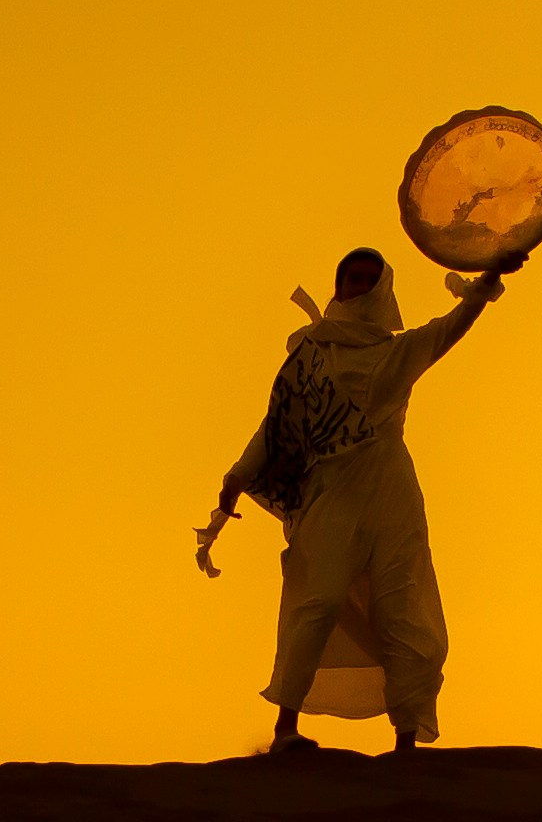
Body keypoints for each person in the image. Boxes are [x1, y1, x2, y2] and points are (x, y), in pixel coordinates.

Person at [196, 244, 516, 752]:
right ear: (338, 287)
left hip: (392, 495)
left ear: (383, 289)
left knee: (402, 611)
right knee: (316, 603)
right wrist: (236, 475)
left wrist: (490, 279)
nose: (359, 288)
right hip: (331, 495)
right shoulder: (311, 355)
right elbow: (277, 427)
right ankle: (286, 730)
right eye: (352, 279)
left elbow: (452, 326)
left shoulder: (397, 352)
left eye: (370, 279)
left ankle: (405, 741)